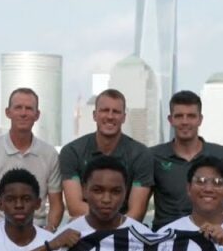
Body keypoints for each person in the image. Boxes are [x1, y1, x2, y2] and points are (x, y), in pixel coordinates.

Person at [0, 88, 64, 231]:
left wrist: (49, 232)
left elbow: (56, 204)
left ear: (37, 115)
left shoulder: (49, 154)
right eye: (18, 108)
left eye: (29, 109)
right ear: (8, 112)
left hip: (37, 232)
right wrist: (0, 231)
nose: (23, 113)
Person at [59, 88, 153, 223]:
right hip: (84, 229)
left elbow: (136, 212)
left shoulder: (141, 154)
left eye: (116, 112)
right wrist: (111, 222)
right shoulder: (72, 151)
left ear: (124, 117)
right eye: (104, 110)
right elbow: (75, 207)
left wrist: (110, 226)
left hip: (125, 231)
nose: (110, 116)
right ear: (94, 115)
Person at [148, 90, 223, 231]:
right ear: (170, 120)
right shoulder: (152, 155)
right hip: (166, 237)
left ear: (200, 119)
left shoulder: (222, 155)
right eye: (179, 116)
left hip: (210, 234)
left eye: (191, 116)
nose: (185, 122)